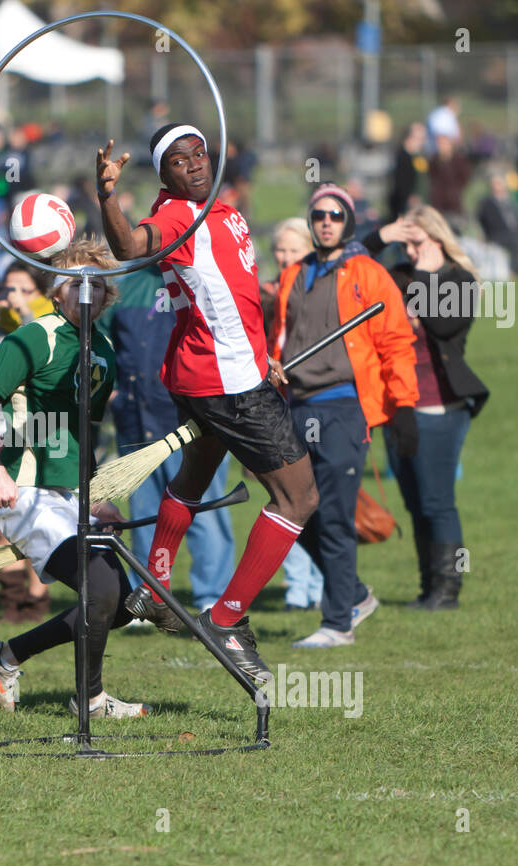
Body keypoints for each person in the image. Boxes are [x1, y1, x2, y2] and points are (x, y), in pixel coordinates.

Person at [94, 124, 320, 684]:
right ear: (164, 173)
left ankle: (153, 588)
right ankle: (226, 616)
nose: (194, 164)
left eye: (199, 154)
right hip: (226, 383)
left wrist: (263, 351)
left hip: (218, 372)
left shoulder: (222, 208)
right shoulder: (176, 215)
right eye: (178, 160)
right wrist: (106, 196)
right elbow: (127, 248)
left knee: (193, 478)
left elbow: (236, 293)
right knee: (299, 498)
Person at [0, 237, 146, 717]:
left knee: (123, 605)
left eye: (96, 283)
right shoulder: (32, 337)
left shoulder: (103, 352)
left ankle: (8, 656)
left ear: (107, 294)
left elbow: (86, 435)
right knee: (102, 591)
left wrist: (93, 497)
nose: (86, 291)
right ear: (57, 291)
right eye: (75, 282)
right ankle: (89, 701)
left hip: (70, 496)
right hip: (24, 491)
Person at [269, 184, 418, 649]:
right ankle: (353, 593)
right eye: (318, 216)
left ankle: (337, 623)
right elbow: (281, 336)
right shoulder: (295, 274)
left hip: (344, 406)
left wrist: (405, 408)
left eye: (335, 215)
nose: (326, 222)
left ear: (348, 221)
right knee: (289, 512)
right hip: (298, 406)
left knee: (334, 515)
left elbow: (396, 342)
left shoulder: (370, 274)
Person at [367, 207, 489, 610]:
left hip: (440, 407)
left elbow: (442, 324)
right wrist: (381, 236)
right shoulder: (397, 274)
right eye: (406, 244)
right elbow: (349, 266)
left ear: (437, 239)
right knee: (415, 499)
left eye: (417, 242)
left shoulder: (459, 279)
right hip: (398, 407)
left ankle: (447, 590)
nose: (410, 251)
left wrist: (425, 272)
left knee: (438, 500)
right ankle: (428, 587)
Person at [101, 263, 236, 617]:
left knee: (203, 512)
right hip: (136, 421)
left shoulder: (205, 282)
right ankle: (149, 594)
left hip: (194, 422)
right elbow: (100, 344)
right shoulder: (124, 288)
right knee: (145, 514)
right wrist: (112, 390)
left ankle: (213, 596)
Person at [0, 261, 57, 622]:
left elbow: (43, 367)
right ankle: (11, 600)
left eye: (24, 289)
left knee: (43, 517)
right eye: (9, 287)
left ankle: (37, 601)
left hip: (43, 427)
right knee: (4, 515)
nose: (14, 295)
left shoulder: (49, 317)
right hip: (0, 428)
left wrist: (23, 311)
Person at [260, 219, 324, 612]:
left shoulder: (318, 290)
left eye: (293, 250)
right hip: (280, 405)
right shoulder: (270, 292)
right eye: (280, 250)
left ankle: (325, 583)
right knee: (291, 497)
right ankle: (299, 586)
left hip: (316, 403)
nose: (284, 258)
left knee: (318, 498)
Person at [388, 122, 427, 220]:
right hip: (404, 210)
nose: (422, 142)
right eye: (419, 139)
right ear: (409, 138)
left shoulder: (418, 158)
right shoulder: (401, 158)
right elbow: (399, 186)